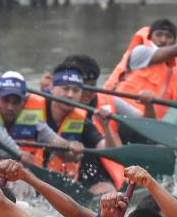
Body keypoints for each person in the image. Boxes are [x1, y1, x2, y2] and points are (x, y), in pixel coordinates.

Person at [39, 65, 120, 194]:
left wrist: (106, 126)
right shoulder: (34, 113)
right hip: (37, 177)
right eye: (65, 89)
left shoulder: (82, 121)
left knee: (108, 190)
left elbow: (110, 151)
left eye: (76, 90)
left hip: (72, 182)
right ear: (52, 88)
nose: (70, 95)